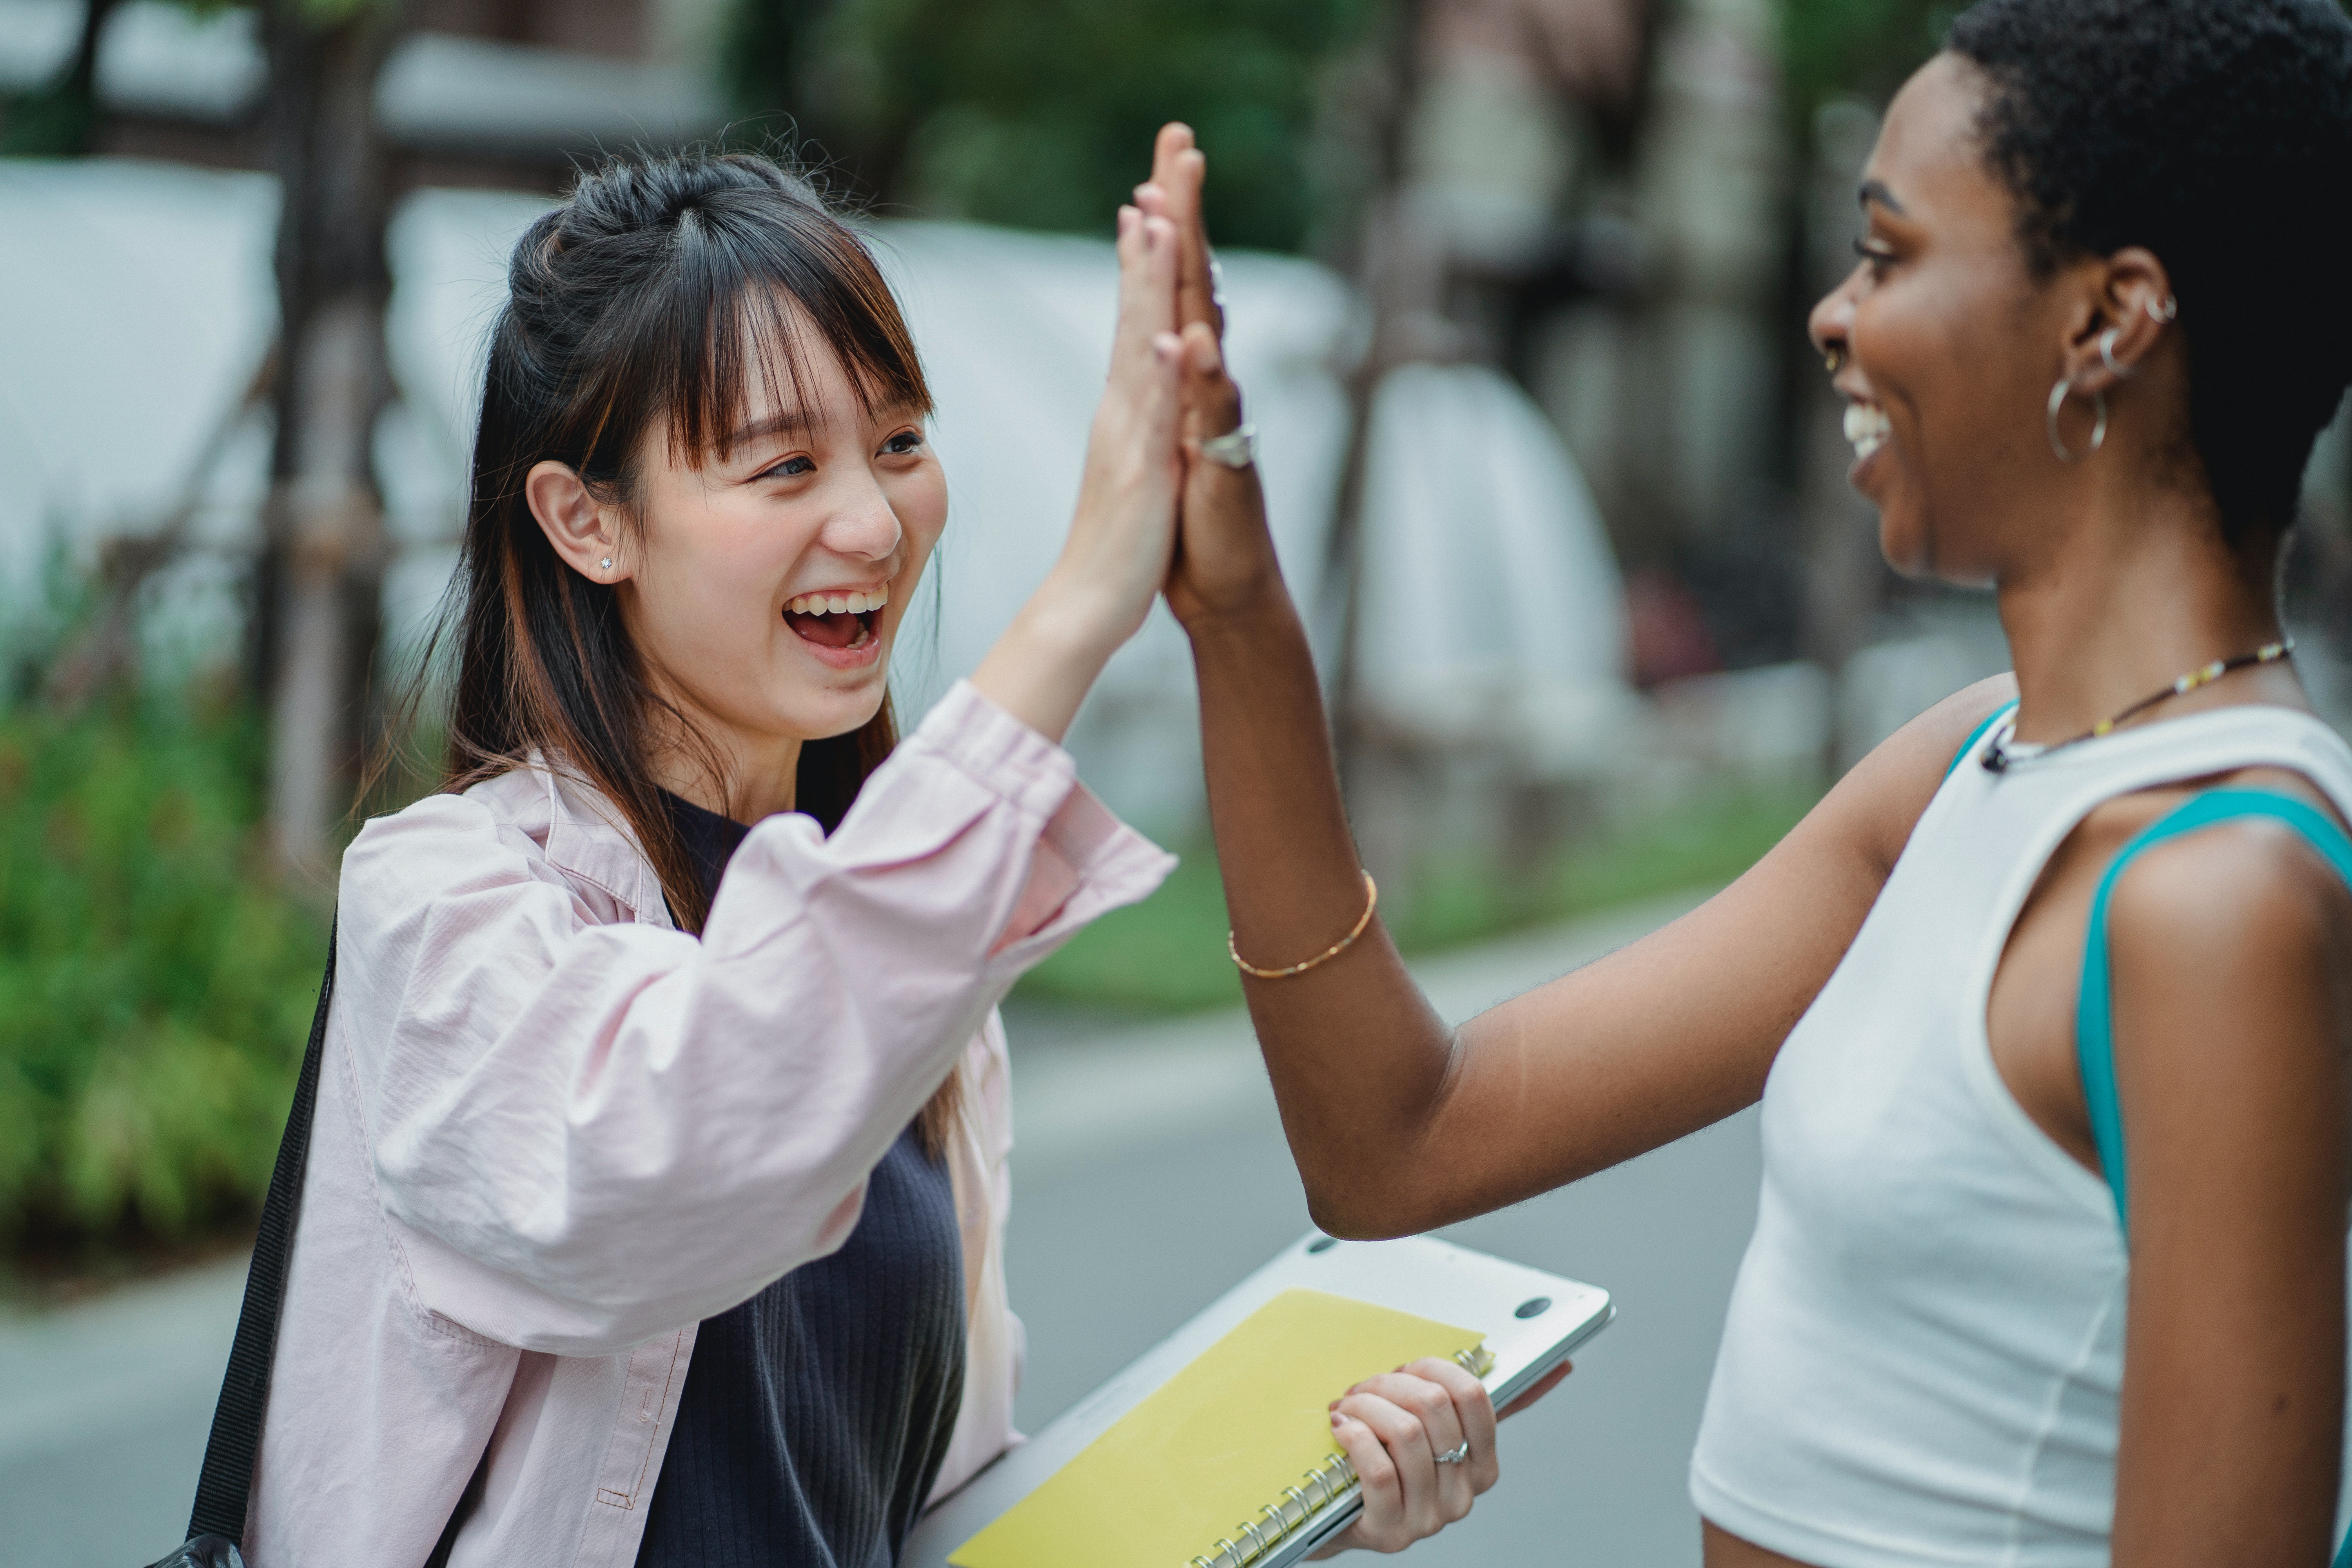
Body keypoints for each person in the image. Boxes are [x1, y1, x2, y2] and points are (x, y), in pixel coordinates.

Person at [1149, 0, 2352, 1562]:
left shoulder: (2219, 897)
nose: (1832, 316)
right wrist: (1239, 617)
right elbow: (1400, 1138)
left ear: (2108, 322)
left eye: (1893, 253)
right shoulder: (1967, 770)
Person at [240, 151, 1494, 1566]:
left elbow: (913, 1524)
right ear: (586, 522)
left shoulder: (915, 963)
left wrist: (1287, 1484)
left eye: (899, 442)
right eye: (786, 466)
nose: (875, 523)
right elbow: (690, 1148)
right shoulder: (448, 906)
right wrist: (1085, 595)